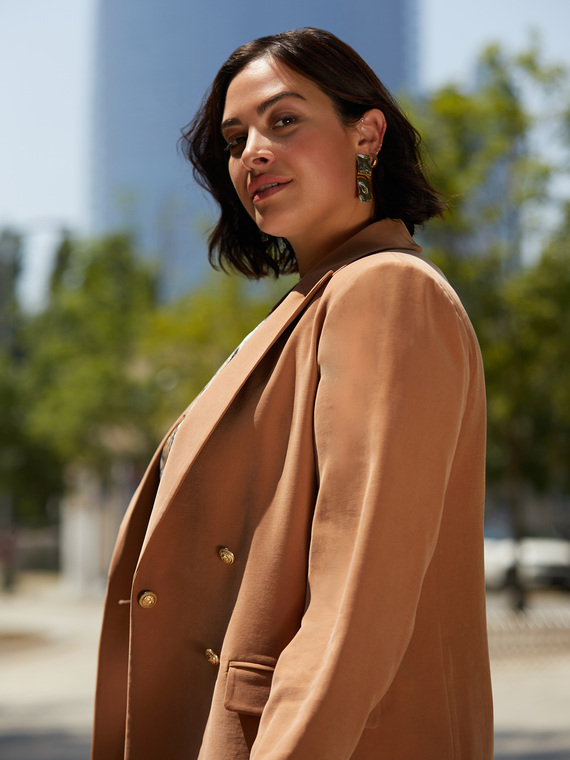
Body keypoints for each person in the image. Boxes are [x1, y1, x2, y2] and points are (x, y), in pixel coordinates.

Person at [91, 27, 493, 760]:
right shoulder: (316, 304)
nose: (253, 154)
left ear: (366, 133)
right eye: (235, 139)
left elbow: (356, 604)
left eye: (284, 120)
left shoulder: (387, 293)